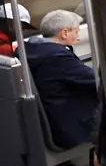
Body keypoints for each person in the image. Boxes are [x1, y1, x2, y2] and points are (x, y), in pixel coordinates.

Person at [24, 10, 98, 149]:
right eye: (76, 32)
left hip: (53, 117)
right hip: (71, 126)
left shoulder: (31, 49)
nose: (78, 37)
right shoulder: (57, 57)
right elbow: (96, 80)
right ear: (64, 33)